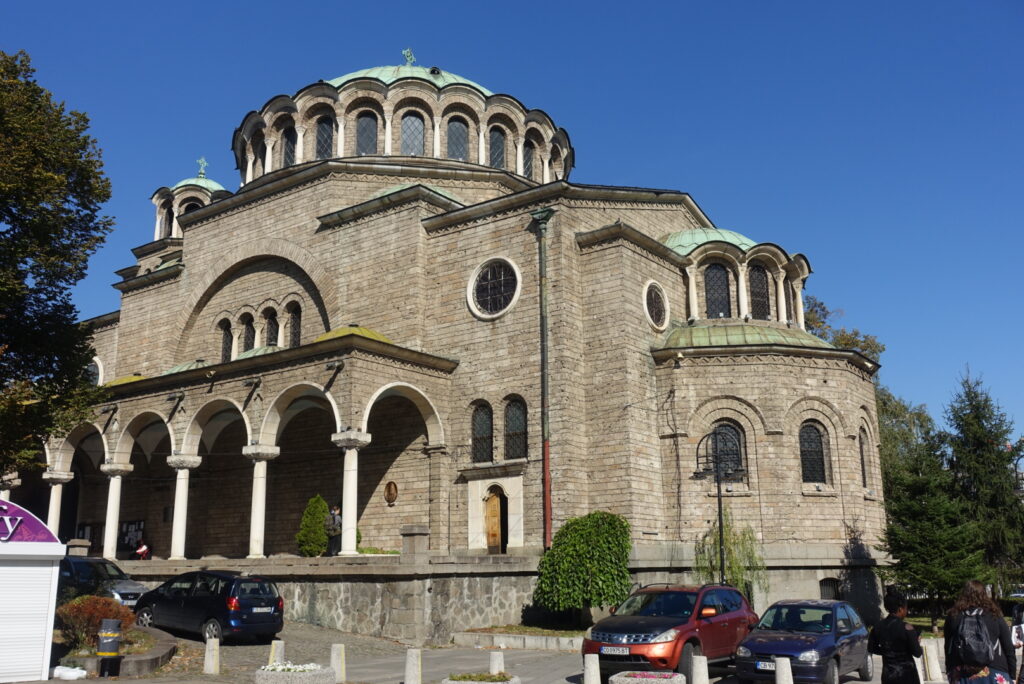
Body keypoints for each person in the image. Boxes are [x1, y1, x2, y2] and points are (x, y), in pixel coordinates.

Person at [944, 580, 1015, 684]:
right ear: (984, 594)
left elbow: (948, 647)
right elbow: (1008, 647)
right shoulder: (994, 615)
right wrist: (1012, 674)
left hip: (962, 672)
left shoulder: (953, 616)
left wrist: (950, 670)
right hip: (995, 669)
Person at [869, 588, 922, 684]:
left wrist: (887, 651)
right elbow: (917, 653)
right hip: (907, 675)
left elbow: (871, 648)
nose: (906, 611)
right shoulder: (907, 628)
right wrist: (917, 642)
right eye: (906, 608)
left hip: (888, 676)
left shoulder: (878, 627)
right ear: (900, 609)